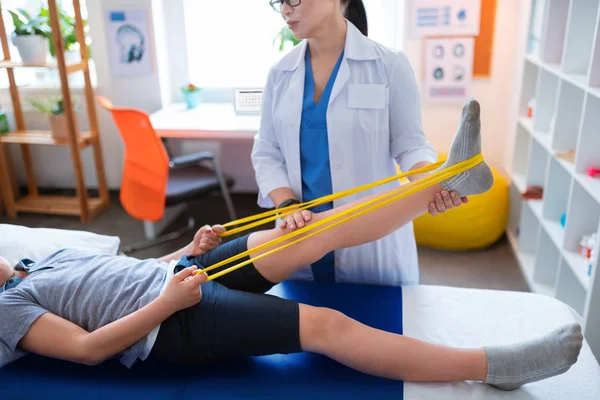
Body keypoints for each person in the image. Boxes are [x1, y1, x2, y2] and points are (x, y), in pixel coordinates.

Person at [0, 101, 584, 390]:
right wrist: (169, 303)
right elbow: (85, 350)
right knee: (326, 326)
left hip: (177, 275)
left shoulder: (38, 259)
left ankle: (447, 178)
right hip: (168, 323)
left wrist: (177, 255)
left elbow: (122, 274)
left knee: (306, 232)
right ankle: (492, 367)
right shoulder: (9, 309)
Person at [252, 0, 467, 286]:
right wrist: (288, 206)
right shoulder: (280, 74)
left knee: (377, 324)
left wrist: (430, 185)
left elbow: (410, 145)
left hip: (371, 244)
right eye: (279, 2)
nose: (284, 11)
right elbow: (267, 151)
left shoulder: (388, 65)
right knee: (301, 322)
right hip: (298, 233)